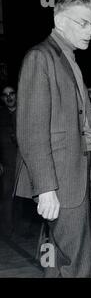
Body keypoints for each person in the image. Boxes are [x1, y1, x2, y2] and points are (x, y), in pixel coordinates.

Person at [15, 0, 91, 277]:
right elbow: (32, 131)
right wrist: (46, 189)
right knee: (78, 266)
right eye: (84, 23)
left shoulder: (68, 58)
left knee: (58, 261)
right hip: (60, 182)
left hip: (76, 180)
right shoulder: (41, 57)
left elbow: (84, 129)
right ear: (60, 21)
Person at [0, 85, 18, 236]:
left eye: (12, 93)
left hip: (25, 164)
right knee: (7, 195)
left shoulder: (25, 113)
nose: (9, 97)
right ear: (2, 98)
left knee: (27, 197)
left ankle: (25, 229)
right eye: (6, 95)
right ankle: (8, 229)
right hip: (8, 164)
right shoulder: (0, 116)